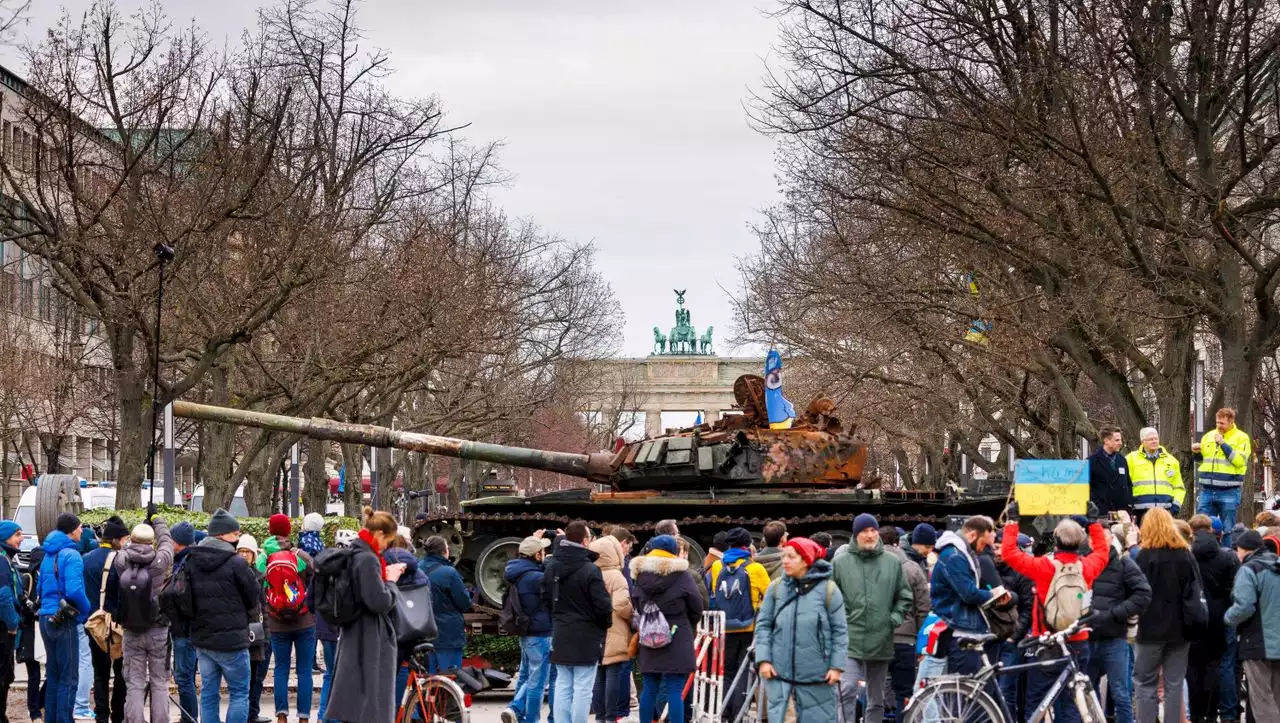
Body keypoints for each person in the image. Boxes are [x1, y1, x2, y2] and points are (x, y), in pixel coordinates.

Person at [1001, 507, 1109, 723]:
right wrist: (1094, 522)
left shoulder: (1043, 567)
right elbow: (1103, 552)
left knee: (1037, 700)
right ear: (1080, 542)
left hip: (1046, 642)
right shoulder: (1087, 567)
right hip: (1078, 641)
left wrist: (1012, 522)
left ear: (1056, 541)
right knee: (1070, 703)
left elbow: (1009, 554)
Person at [179, 510, 263, 723]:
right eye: (235, 535)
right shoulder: (237, 564)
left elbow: (184, 598)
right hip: (232, 641)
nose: (237, 540)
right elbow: (254, 597)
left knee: (208, 692)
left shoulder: (191, 560)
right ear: (222, 535)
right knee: (239, 693)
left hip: (202, 639)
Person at [325, 508, 406, 723]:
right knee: (370, 699)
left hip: (355, 632)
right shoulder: (368, 559)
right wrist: (391, 581)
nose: (387, 546)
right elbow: (378, 602)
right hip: (368, 636)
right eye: (388, 540)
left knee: (356, 698)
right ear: (379, 534)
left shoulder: (355, 553)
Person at [754, 537, 846, 723]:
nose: (785, 561)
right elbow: (763, 625)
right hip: (779, 671)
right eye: (784, 556)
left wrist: (836, 666)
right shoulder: (776, 588)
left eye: (791, 557)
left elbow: (840, 631)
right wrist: (763, 659)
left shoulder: (829, 590)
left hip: (817, 672)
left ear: (806, 560)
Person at [832, 513, 912, 723]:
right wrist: (842, 621)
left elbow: (904, 596)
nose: (870, 535)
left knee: (876, 698)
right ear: (855, 534)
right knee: (846, 689)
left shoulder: (892, 563)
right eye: (865, 531)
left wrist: (892, 619)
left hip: (881, 638)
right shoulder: (840, 563)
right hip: (850, 637)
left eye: (873, 530)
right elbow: (830, 598)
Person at [1132, 508, 1199, 723]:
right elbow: (1194, 593)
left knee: (1145, 683)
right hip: (1179, 630)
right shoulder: (1184, 555)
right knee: (1174, 683)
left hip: (1148, 630)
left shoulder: (1142, 557)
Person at [543, 522, 612, 723]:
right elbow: (603, 605)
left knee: (563, 683)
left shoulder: (552, 566)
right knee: (583, 686)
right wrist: (603, 624)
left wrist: (557, 618)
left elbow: (545, 596)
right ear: (584, 541)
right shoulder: (590, 569)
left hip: (561, 630)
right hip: (587, 634)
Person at [630, 535, 703, 723]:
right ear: (674, 552)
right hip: (677, 634)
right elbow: (697, 605)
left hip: (649, 635)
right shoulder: (682, 575)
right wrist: (687, 621)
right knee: (675, 689)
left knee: (649, 687)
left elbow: (636, 604)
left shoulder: (639, 575)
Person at [1086, 523, 1151, 723]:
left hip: (1114, 638)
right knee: (1089, 692)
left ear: (1110, 539)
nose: (1099, 541)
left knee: (1121, 692)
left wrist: (1117, 613)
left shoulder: (1124, 563)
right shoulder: (1084, 563)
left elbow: (1143, 594)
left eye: (1104, 537)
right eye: (1094, 538)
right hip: (1087, 637)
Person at [256, 514, 317, 723]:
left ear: (270, 531)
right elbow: (314, 574)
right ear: (289, 531)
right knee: (304, 671)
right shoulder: (298, 555)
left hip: (276, 621)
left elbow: (259, 587)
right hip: (304, 620)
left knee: (281, 669)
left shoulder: (263, 558)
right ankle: (304, 717)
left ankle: (281, 715)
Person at [707, 526, 771, 722]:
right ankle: (738, 712)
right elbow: (769, 596)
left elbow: (714, 590)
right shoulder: (755, 568)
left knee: (725, 671)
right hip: (747, 627)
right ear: (747, 545)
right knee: (743, 671)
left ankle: (724, 710)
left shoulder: (718, 566)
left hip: (724, 625)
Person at [114, 518, 174, 723]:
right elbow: (167, 541)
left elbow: (124, 546)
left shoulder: (121, 560)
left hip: (132, 630)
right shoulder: (160, 561)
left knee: (135, 683)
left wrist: (141, 522)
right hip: (158, 629)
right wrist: (157, 521)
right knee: (159, 683)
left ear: (132, 538)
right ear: (151, 542)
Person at [38, 513, 93, 723]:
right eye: (80, 527)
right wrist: (86, 610)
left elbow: (41, 587)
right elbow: (74, 591)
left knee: (53, 675)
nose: (82, 531)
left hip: (46, 617)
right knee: (69, 678)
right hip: (64, 620)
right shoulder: (71, 555)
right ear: (71, 530)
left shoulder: (48, 554)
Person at [1185, 515, 1239, 722]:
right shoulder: (1228, 557)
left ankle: (1196, 714)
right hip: (1220, 616)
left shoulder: (1187, 555)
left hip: (1194, 616)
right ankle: (1214, 712)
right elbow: (1235, 589)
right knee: (1216, 665)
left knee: (1192, 667)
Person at [931, 516, 998, 675]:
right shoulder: (955, 556)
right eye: (983, 543)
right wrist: (992, 595)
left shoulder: (958, 553)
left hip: (963, 625)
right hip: (960, 628)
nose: (983, 549)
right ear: (973, 535)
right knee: (961, 690)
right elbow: (968, 593)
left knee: (964, 689)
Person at [1224, 529, 1280, 719]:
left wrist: (1227, 618)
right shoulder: (1276, 565)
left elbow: (1244, 607)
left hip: (1257, 643)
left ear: (1244, 550)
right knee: (1277, 697)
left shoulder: (1249, 570)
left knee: (1262, 699)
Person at [502, 533, 553, 723]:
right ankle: (523, 715)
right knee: (537, 682)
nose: (545, 553)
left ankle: (517, 713)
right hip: (540, 633)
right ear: (536, 555)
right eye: (542, 551)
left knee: (525, 676)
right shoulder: (536, 577)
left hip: (527, 632)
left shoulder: (518, 572)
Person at [880, 525, 930, 715]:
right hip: (905, 640)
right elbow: (923, 607)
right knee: (905, 693)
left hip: (876, 639)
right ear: (897, 543)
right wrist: (917, 637)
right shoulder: (913, 568)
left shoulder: (867, 567)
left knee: (874, 689)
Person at [82, 515, 128, 723]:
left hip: (94, 623)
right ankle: (117, 714)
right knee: (121, 673)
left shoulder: (86, 558)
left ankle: (101, 715)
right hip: (117, 623)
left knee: (99, 672)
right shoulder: (121, 560)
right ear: (117, 539)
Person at [589, 534, 632, 723]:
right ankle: (610, 716)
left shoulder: (591, 573)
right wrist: (633, 617)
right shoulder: (616, 575)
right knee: (613, 672)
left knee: (599, 673)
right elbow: (621, 604)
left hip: (594, 629)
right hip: (614, 628)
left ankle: (599, 715)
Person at [383, 533, 429, 710]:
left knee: (384, 682)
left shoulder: (385, 571)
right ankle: (416, 713)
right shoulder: (420, 572)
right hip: (419, 630)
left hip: (392, 633)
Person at [1194, 408, 1251, 543]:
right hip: (1207, 490)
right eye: (1217, 422)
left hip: (1229, 491)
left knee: (1227, 529)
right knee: (1202, 527)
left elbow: (1239, 461)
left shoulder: (1241, 438)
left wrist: (1223, 444)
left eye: (1222, 423)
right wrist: (1196, 452)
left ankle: (1227, 557)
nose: (1219, 426)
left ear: (1231, 422)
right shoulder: (1208, 436)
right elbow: (1201, 461)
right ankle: (1204, 555)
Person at [419, 535, 472, 674]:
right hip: (448, 634)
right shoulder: (449, 573)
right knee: (450, 678)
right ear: (444, 551)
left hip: (422, 631)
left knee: (428, 679)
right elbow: (465, 603)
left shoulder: (417, 569)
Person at [167, 521, 199, 723]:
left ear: (179, 542)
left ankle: (189, 718)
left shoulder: (187, 563)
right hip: (188, 629)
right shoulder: (189, 559)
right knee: (186, 675)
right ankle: (189, 716)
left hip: (185, 630)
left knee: (184, 676)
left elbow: (184, 597)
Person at [238, 534, 271, 723]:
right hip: (241, 631)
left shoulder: (258, 577)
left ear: (253, 555)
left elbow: (263, 607)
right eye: (241, 551)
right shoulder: (234, 574)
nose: (244, 555)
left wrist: (266, 634)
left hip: (256, 632)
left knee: (256, 676)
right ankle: (246, 714)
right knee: (243, 678)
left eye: (247, 552)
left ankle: (252, 712)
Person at [18, 529, 46, 722]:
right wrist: (34, 607)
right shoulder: (27, 580)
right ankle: (34, 710)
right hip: (30, 631)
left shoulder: (48, 579)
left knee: (52, 671)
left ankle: (39, 702)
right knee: (34, 674)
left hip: (43, 630)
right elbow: (22, 605)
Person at [1126, 427, 1185, 517]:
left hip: (1166, 511)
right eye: (1150, 439)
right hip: (1139, 511)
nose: (1154, 441)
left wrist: (1175, 507)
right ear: (1143, 441)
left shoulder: (1171, 460)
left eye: (1156, 439)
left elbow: (1179, 487)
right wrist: (1128, 506)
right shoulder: (1131, 459)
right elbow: (1124, 485)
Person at [0, 521, 23, 723]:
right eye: (17, 534)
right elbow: (4, 596)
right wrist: (13, 623)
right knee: (3, 675)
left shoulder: (6, 559)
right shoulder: (2, 561)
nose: (21, 538)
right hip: (2, 630)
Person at [1089, 426, 1133, 517]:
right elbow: (1087, 488)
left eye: (1120, 440)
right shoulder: (1091, 461)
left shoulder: (1122, 460)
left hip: (1122, 513)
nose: (1120, 443)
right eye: (1117, 440)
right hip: (1102, 514)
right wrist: (1097, 505)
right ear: (1106, 441)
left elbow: (1128, 484)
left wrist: (1129, 503)